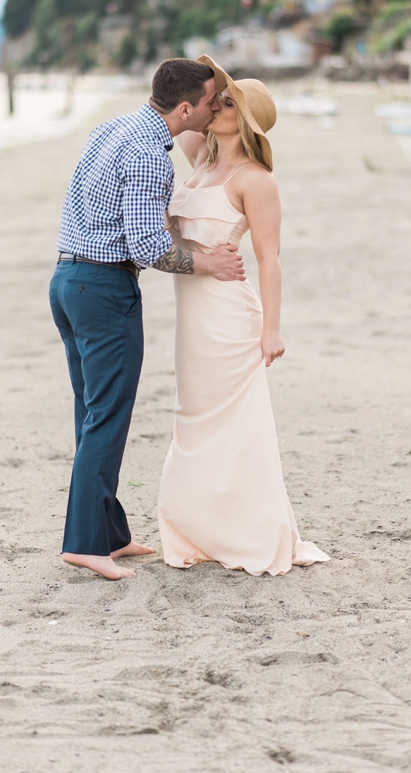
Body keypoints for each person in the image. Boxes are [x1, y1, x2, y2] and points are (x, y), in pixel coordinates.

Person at [49, 58, 245, 581]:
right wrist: (210, 263)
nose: (212, 110)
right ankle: (84, 544)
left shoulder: (111, 128)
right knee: (108, 416)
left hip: (67, 281)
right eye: (207, 102)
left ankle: (108, 534)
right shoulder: (149, 157)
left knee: (93, 413)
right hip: (104, 290)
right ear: (185, 107)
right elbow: (149, 246)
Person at [156, 57, 329, 575]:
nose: (215, 105)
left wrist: (272, 329)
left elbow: (269, 259)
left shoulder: (255, 180)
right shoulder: (200, 160)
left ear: (245, 122)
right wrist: (206, 76)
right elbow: (182, 103)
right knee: (194, 419)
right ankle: (198, 526)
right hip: (193, 317)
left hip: (232, 317)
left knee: (237, 425)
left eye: (227, 103)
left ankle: (249, 530)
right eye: (217, 98)